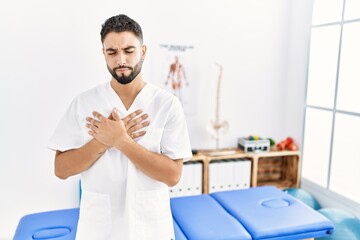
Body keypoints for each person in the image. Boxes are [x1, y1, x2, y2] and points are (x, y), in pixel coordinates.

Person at [48, 14, 192, 240]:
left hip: (150, 228)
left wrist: (122, 141)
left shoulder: (166, 104)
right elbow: (61, 169)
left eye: (129, 50)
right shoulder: (84, 103)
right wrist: (101, 141)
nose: (121, 60)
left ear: (143, 51)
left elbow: (173, 176)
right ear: (103, 54)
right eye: (112, 52)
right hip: (99, 229)